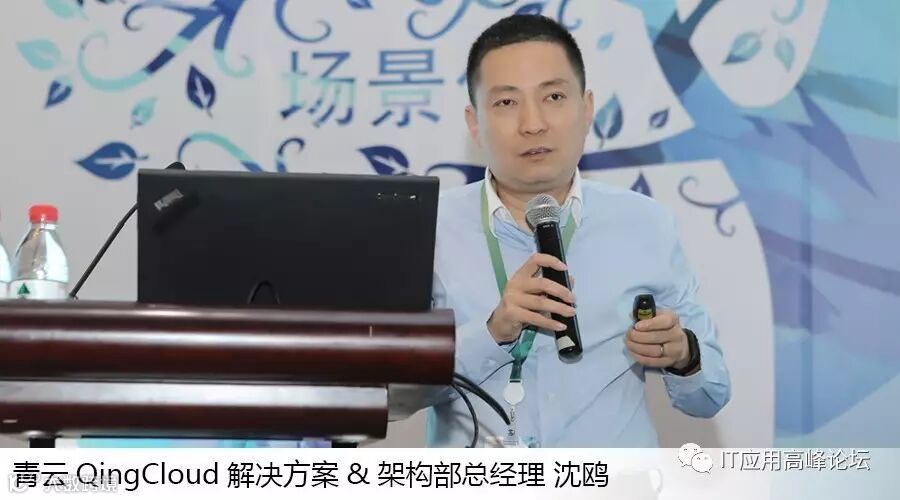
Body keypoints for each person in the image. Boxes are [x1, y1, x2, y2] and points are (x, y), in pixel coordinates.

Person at [427, 14, 731, 447]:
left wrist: (683, 353)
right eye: (507, 102)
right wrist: (492, 333)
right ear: (474, 122)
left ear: (586, 109)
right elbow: (394, 395)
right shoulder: (430, 230)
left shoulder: (645, 224)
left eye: (553, 96)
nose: (533, 123)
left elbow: (710, 394)